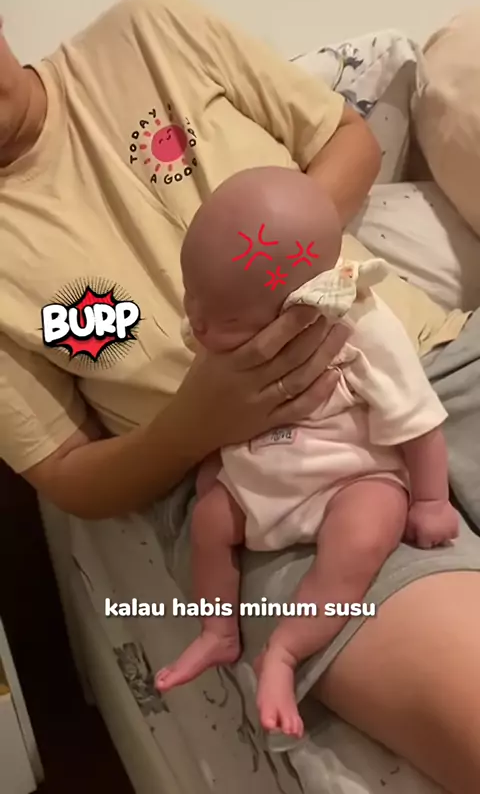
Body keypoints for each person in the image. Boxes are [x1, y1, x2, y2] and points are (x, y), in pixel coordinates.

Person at [1, 0, 480, 794]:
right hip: (273, 483)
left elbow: (346, 139)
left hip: (440, 361)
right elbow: (66, 473)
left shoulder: (150, 35)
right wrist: (198, 423)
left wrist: (285, 272)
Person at [155, 166, 459, 738]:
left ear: (301, 306)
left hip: (349, 475)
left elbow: (417, 418)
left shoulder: (360, 326)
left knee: (367, 530)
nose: (198, 324)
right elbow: (210, 403)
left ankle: (287, 649)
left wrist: (431, 500)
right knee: (208, 521)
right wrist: (212, 462)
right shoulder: (220, 314)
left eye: (224, 319)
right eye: (192, 298)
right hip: (260, 472)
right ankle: (217, 631)